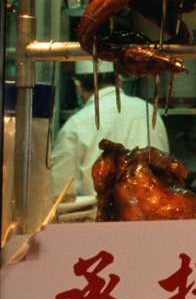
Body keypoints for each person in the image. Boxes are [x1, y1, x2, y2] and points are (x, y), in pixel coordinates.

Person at [49, 61, 170, 199]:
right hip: (153, 215)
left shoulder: (75, 124)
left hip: (98, 217)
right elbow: (167, 173)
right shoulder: (149, 111)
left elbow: (61, 193)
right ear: (119, 82)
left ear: (79, 87)